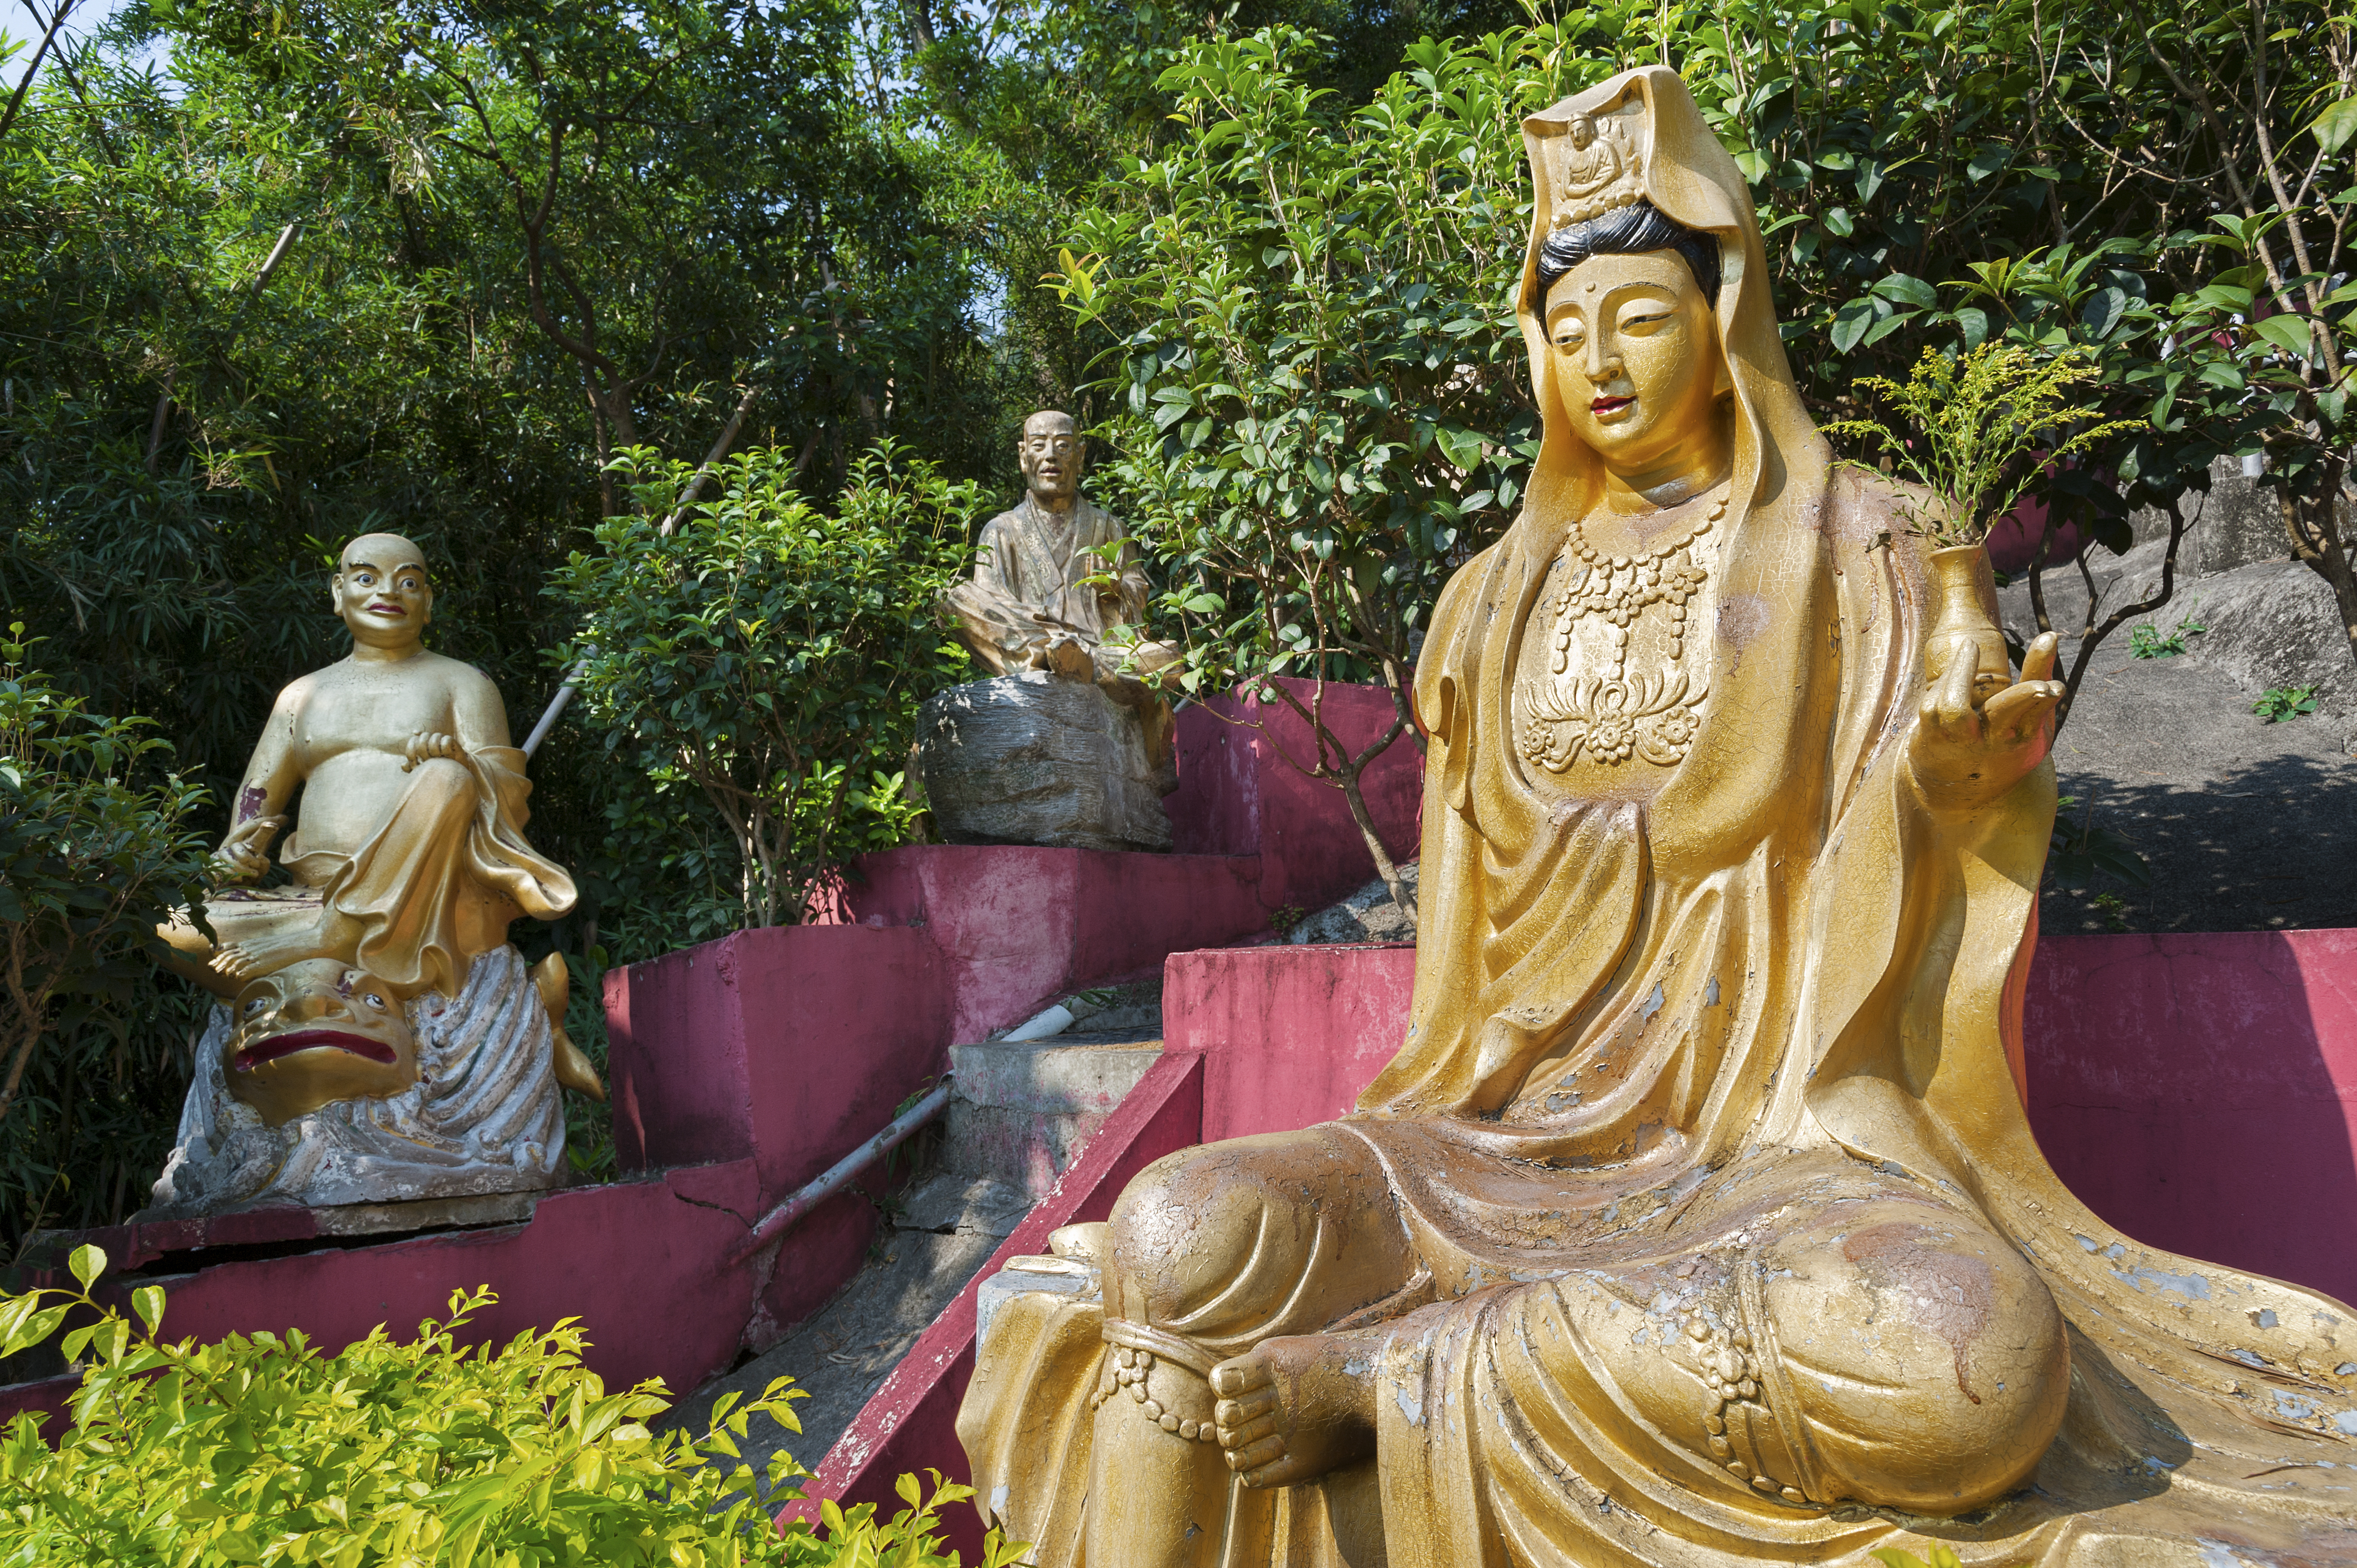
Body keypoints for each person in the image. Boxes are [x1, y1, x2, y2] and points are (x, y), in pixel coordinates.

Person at [959, 66, 2357, 1567]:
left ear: (1726, 315)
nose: (1601, 361)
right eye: (1566, 331)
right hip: (1474, 1152)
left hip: (1776, 1170)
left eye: (1639, 315)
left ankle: (1388, 1376)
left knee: (1971, 1359)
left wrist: (1953, 805)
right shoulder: (1489, 600)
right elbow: (1459, 997)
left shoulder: (1872, 542)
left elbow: (1937, 852)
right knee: (1180, 1232)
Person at [193, 532, 575, 1002]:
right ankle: (336, 935)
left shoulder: (462, 682)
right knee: (169, 925)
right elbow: (257, 800)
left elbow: (508, 799)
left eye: (409, 583)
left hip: (421, 900)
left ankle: (344, 936)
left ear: (427, 601)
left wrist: (462, 765)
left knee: (447, 778)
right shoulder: (301, 696)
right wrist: (235, 857)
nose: (389, 592)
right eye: (368, 578)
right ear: (339, 592)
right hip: (307, 897)